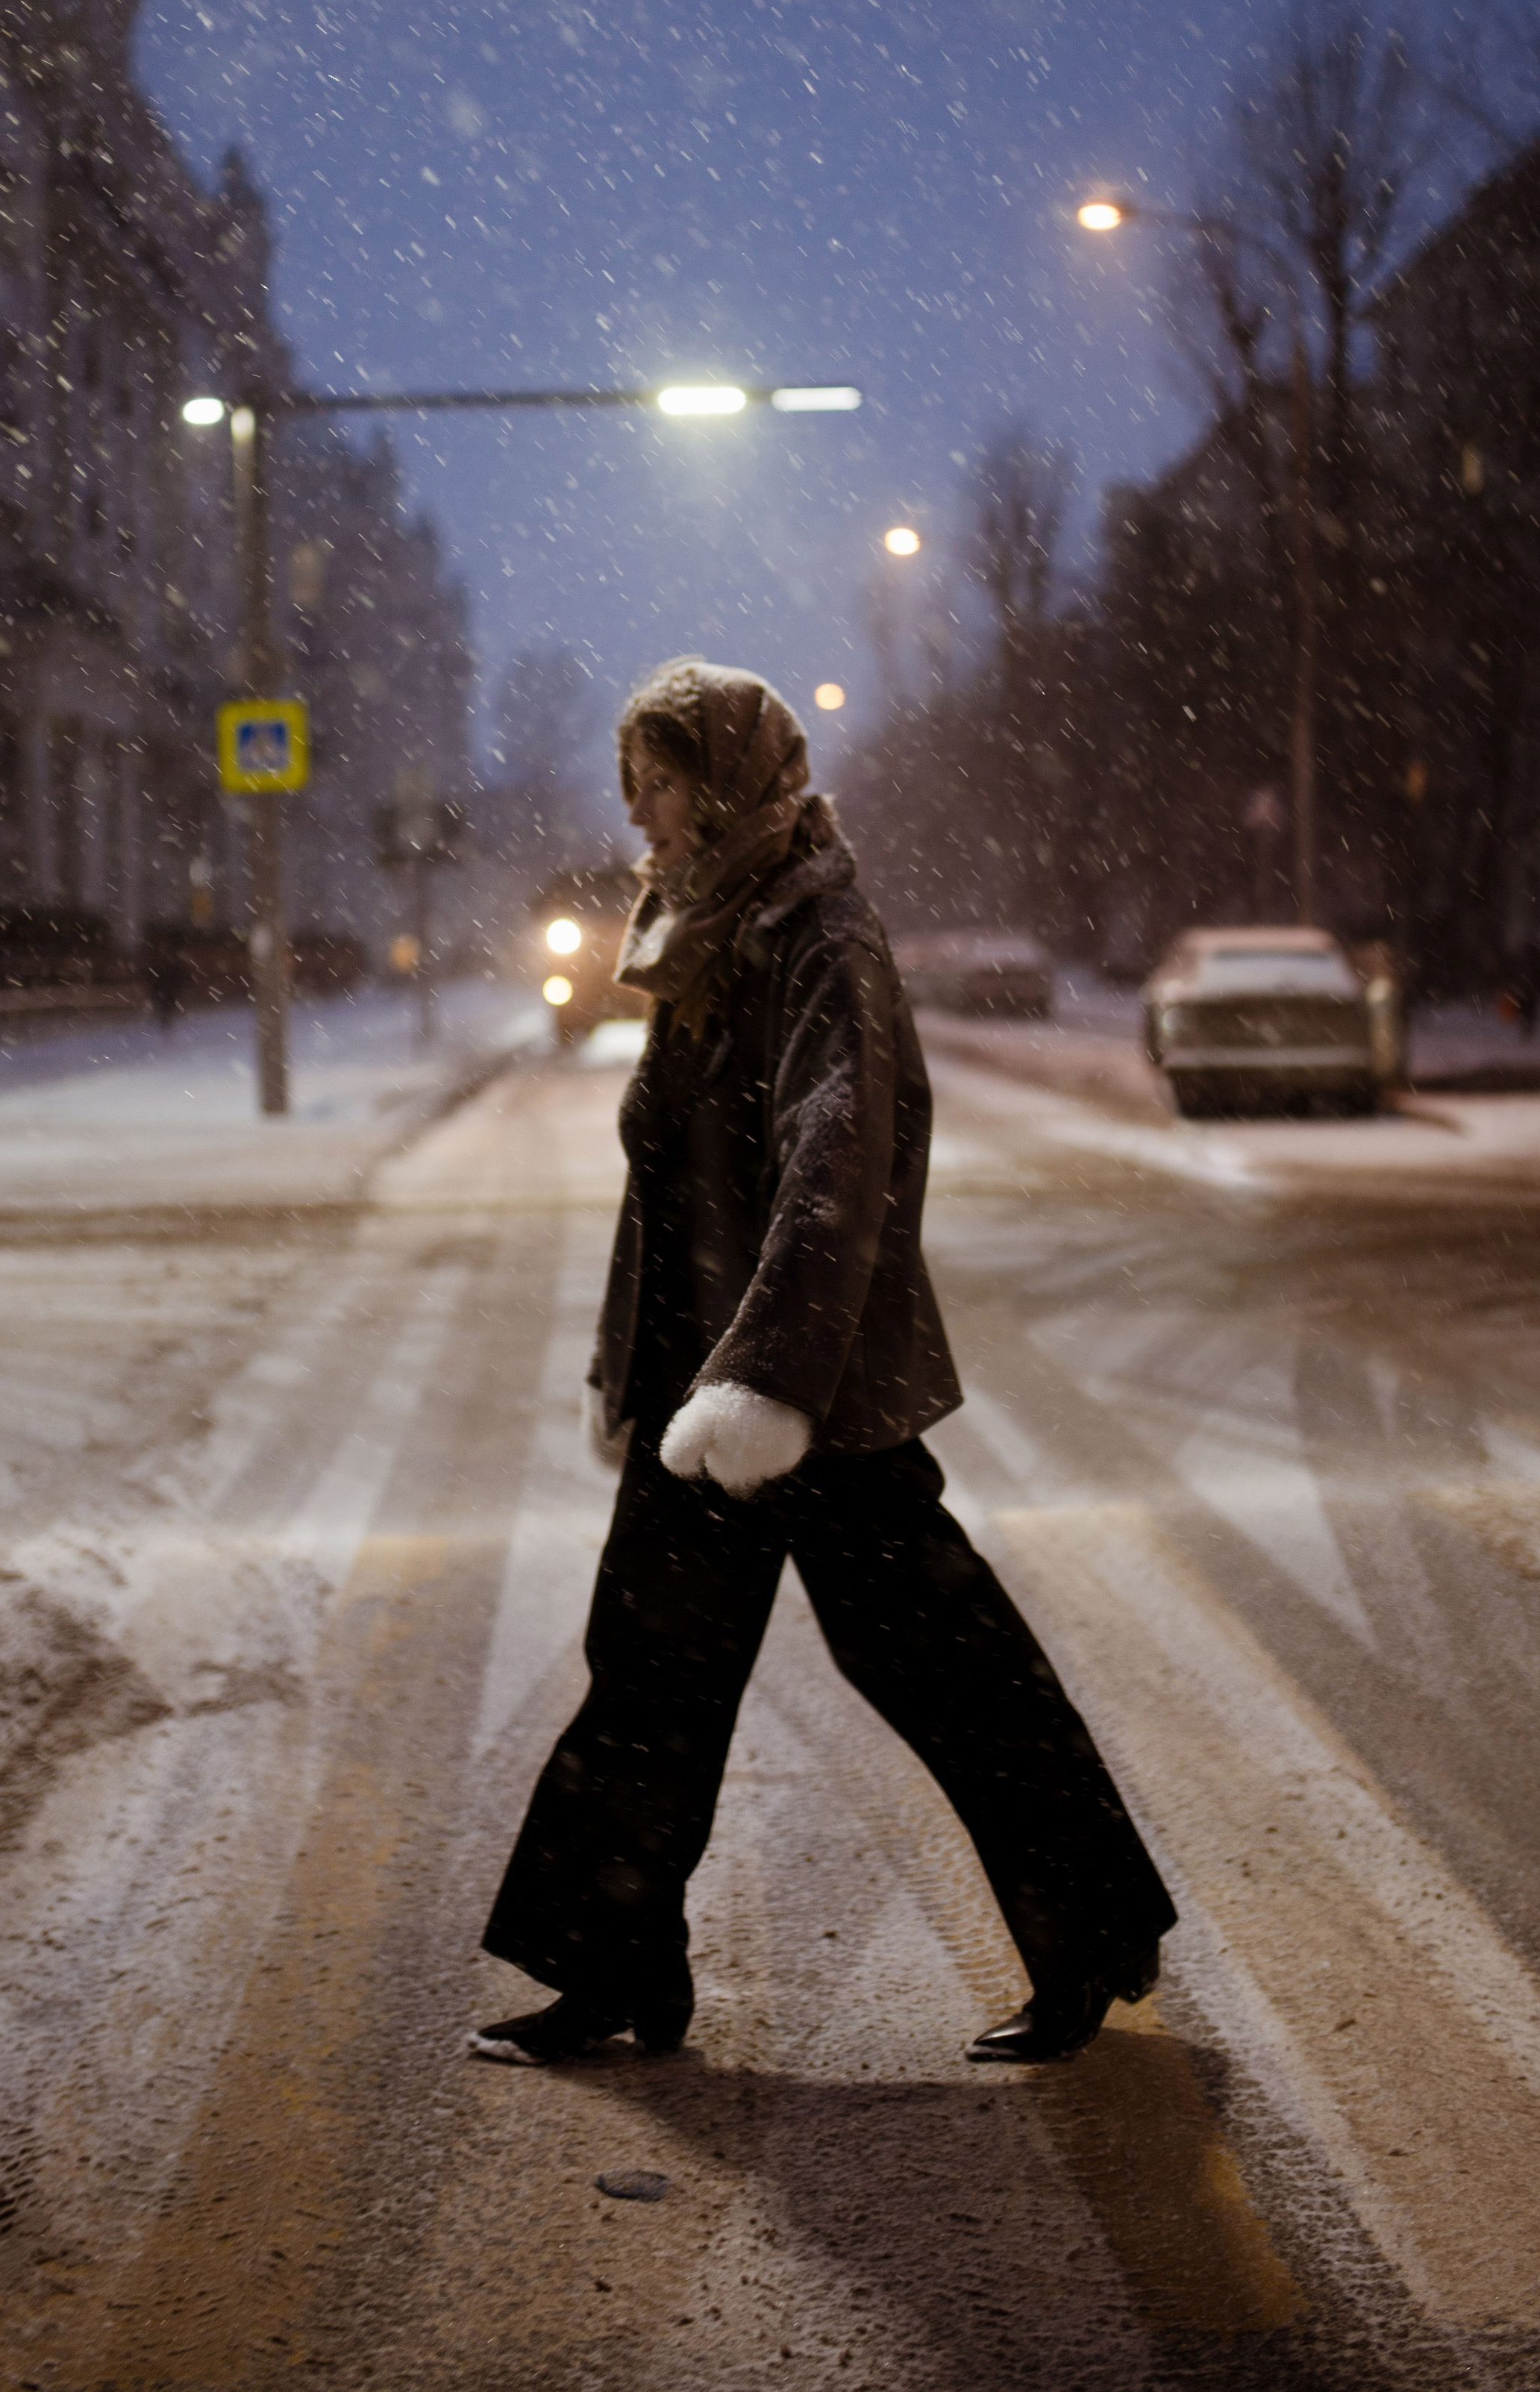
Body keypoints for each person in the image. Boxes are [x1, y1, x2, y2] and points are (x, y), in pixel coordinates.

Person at [472, 659, 1175, 2070]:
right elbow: (672, 1184)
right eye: (634, 790)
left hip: (812, 1388)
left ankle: (1091, 1935)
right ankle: (616, 1972)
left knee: (940, 1662)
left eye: (661, 786)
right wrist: (653, 1368)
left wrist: (771, 1384)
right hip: (703, 1381)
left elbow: (834, 1170)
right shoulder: (703, 933)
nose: (643, 818)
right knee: (650, 1670)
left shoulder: (818, 935)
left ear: (725, 783)